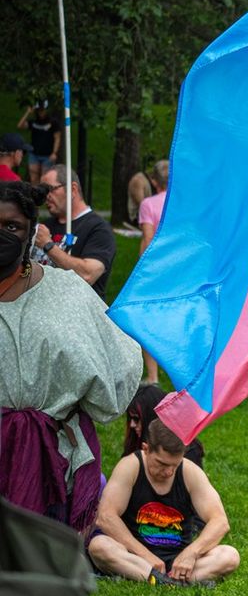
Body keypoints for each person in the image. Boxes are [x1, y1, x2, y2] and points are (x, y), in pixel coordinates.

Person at [0, 182, 141, 531]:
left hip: (55, 457)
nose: (2, 234)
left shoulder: (66, 291)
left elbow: (118, 356)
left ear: (32, 233)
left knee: (47, 567)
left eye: (12, 226)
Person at [91, 418, 239, 585]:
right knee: (99, 546)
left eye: (174, 465)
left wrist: (191, 553)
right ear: (146, 449)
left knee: (229, 556)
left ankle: (156, 579)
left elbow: (220, 522)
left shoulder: (190, 472)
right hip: (136, 556)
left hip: (179, 561)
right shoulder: (130, 466)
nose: (168, 472)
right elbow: (106, 516)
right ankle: (172, 581)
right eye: (161, 463)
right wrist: (145, 556)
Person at [35, 164, 117, 300]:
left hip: (79, 314)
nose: (46, 197)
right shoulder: (44, 226)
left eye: (50, 189)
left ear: (73, 190)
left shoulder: (99, 229)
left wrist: (48, 245)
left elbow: (88, 275)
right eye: (42, 191)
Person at [136, 160, 169, 380]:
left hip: (157, 270)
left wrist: (141, 270)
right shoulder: (183, 201)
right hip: (182, 268)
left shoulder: (149, 204)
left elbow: (147, 238)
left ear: (154, 181)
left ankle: (153, 376)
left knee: (147, 321)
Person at [123, 382, 205, 468]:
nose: (132, 424)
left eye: (136, 419)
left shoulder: (187, 452)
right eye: (130, 418)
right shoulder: (135, 443)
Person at [17, 100, 61, 184]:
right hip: (34, 153)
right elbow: (20, 125)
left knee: (44, 180)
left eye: (42, 110)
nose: (41, 112)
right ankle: (34, 196)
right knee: (34, 179)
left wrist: (54, 152)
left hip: (47, 155)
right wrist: (28, 112)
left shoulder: (53, 122)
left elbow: (57, 138)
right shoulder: (34, 121)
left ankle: (43, 196)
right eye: (39, 110)